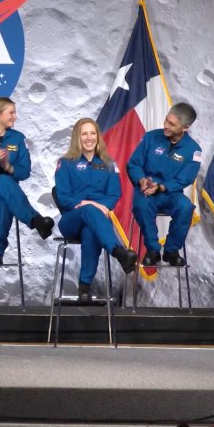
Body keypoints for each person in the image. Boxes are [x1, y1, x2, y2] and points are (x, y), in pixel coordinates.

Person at [54, 118, 138, 301]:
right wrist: (89, 204)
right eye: (84, 134)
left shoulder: (109, 164)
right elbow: (62, 196)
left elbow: (114, 195)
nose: (89, 138)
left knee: (91, 231)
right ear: (78, 137)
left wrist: (100, 207)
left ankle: (84, 287)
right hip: (71, 219)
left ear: (98, 136)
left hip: (97, 221)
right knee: (90, 211)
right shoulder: (66, 163)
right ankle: (118, 252)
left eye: (92, 133)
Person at [0, 97, 54, 265]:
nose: (15, 116)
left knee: (4, 201)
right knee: (2, 182)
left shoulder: (18, 138)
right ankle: (35, 220)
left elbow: (25, 171)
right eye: (11, 113)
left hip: (7, 194)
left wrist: (8, 167)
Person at [126, 102, 201, 267]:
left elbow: (185, 179)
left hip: (171, 193)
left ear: (185, 127)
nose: (166, 125)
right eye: (166, 120)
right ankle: (152, 250)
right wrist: (142, 180)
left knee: (186, 207)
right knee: (142, 205)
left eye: (172, 124)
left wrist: (161, 188)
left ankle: (171, 251)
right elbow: (134, 164)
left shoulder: (194, 150)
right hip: (146, 190)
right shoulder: (150, 137)